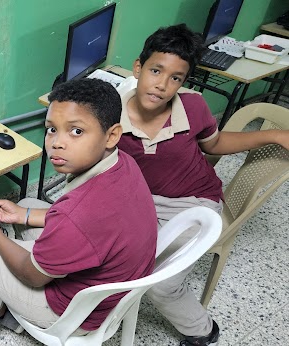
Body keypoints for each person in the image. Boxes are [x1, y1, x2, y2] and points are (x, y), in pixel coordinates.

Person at [117, 24, 289, 346]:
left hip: (193, 202)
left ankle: (202, 330)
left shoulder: (193, 106)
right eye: (156, 70)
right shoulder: (111, 115)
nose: (163, 85)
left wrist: (273, 135)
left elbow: (215, 143)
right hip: (140, 200)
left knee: (161, 283)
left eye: (176, 78)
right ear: (138, 67)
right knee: (101, 254)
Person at [0, 78, 158, 333]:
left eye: (76, 131)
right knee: (26, 204)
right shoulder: (123, 162)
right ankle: (31, 238)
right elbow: (79, 223)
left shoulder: (78, 215)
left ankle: (7, 315)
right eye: (51, 129)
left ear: (111, 135)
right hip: (111, 286)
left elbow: (32, 276)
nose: (56, 143)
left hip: (73, 311)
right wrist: (22, 214)